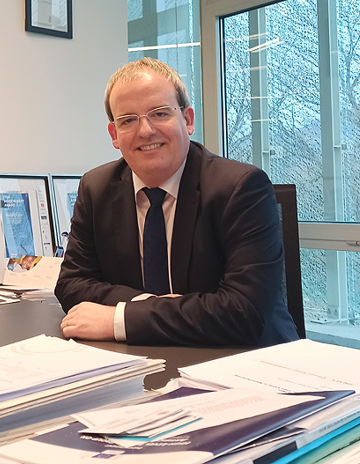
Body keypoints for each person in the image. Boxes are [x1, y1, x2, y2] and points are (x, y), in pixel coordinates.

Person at [55, 58, 299, 347]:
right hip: (146, 357)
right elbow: (71, 284)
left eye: (159, 113)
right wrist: (150, 305)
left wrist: (120, 318)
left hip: (245, 358)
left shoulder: (241, 188)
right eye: (128, 120)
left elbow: (243, 312)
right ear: (114, 135)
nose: (145, 131)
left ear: (188, 119)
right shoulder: (96, 188)